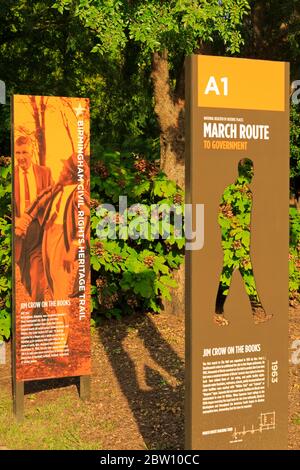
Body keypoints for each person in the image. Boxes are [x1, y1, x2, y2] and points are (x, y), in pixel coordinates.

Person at [17, 155, 90, 350]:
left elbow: (86, 216)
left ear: (72, 173)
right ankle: (57, 330)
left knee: (59, 286)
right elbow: (40, 201)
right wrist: (24, 220)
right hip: (48, 235)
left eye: (65, 168)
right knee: (49, 282)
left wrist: (74, 246)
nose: (61, 170)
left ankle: (61, 338)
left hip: (63, 239)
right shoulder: (58, 187)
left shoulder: (78, 192)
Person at [214, 158, 272, 326]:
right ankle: (218, 313)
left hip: (243, 244)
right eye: (251, 170)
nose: (253, 173)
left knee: (247, 276)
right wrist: (235, 235)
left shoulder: (248, 191)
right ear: (244, 171)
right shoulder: (231, 191)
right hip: (234, 244)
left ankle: (258, 313)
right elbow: (222, 216)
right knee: (227, 276)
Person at [14, 136, 53, 316]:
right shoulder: (11, 176)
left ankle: (38, 308)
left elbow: (51, 197)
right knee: (25, 274)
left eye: (25, 153)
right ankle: (35, 297)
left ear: (32, 153)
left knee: (37, 269)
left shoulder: (44, 173)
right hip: (18, 231)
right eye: (18, 153)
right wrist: (17, 222)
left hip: (38, 228)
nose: (21, 157)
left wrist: (33, 215)